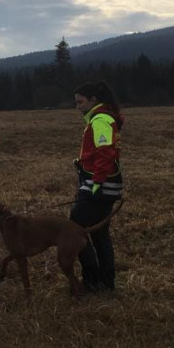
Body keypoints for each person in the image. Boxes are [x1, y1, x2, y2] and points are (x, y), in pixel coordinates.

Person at [70, 81, 124, 292]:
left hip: (100, 185)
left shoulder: (100, 120)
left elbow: (106, 153)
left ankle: (91, 280)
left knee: (75, 229)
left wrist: (97, 183)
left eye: (80, 102)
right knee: (100, 233)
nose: (77, 107)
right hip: (105, 184)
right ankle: (106, 282)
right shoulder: (103, 118)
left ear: (93, 100)